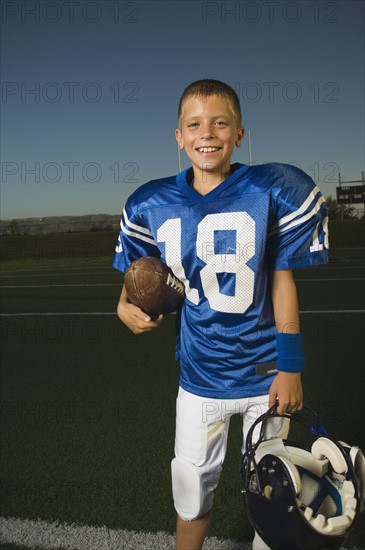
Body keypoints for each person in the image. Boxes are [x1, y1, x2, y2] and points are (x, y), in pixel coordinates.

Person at [113, 79, 329, 550]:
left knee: (273, 497)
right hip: (200, 374)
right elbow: (138, 279)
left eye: (219, 123)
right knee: (190, 492)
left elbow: (281, 281)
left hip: (265, 373)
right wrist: (125, 304)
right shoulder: (151, 203)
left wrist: (291, 365)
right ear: (178, 137)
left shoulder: (272, 189)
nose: (206, 134)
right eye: (194, 124)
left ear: (239, 133)